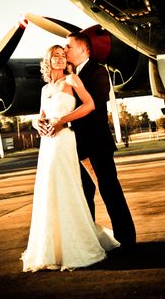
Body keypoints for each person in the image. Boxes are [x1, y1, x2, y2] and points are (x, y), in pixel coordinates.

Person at [21, 45, 120, 272]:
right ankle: (53, 248)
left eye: (62, 55)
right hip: (46, 144)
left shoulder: (73, 80)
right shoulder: (45, 88)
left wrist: (62, 120)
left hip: (64, 139)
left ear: (66, 61)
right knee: (48, 190)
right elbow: (42, 115)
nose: (59, 58)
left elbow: (90, 105)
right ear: (47, 59)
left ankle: (76, 245)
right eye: (54, 55)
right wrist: (37, 123)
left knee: (66, 188)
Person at [38, 34, 136, 252]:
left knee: (110, 191)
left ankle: (127, 241)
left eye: (68, 47)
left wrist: (62, 121)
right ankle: (87, 242)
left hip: (96, 144)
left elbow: (94, 106)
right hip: (71, 147)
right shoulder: (62, 80)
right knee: (82, 197)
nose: (65, 51)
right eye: (60, 51)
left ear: (84, 50)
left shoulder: (98, 71)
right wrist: (43, 123)